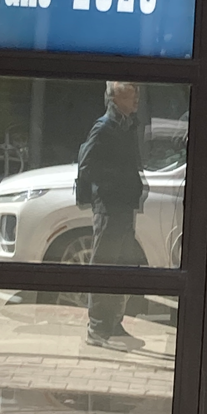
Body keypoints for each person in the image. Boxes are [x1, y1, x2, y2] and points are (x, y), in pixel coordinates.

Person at [75, 81, 148, 350]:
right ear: (115, 99)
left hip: (123, 207)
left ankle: (113, 323)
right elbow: (87, 165)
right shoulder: (104, 127)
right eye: (130, 94)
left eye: (136, 94)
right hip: (109, 207)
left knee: (120, 266)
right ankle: (97, 327)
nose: (136, 98)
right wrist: (117, 182)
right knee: (104, 265)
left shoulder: (127, 125)